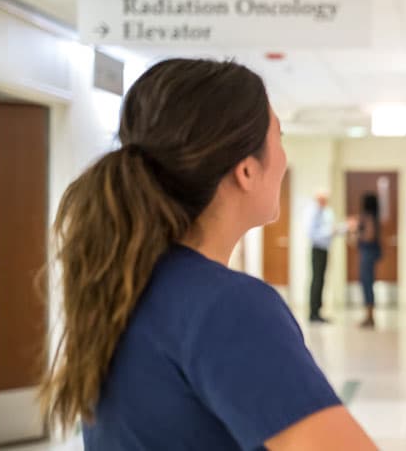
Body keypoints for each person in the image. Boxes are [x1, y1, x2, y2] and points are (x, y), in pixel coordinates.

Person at [39, 59, 377, 451]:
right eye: (279, 137)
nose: (283, 158)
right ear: (247, 172)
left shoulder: (125, 283)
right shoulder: (227, 305)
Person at [308, 191, 340, 323]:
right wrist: (329, 232)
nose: (324, 202)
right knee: (317, 279)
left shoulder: (327, 212)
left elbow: (332, 229)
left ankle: (318, 311)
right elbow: (312, 234)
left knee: (321, 279)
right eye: (322, 200)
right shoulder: (312, 213)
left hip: (325, 248)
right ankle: (313, 312)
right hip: (317, 248)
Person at [355, 193, 381, 328]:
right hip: (371, 253)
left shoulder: (367, 216)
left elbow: (369, 235)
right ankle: (369, 316)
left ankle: (369, 317)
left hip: (367, 253)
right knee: (368, 283)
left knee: (366, 283)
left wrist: (357, 233)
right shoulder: (375, 216)